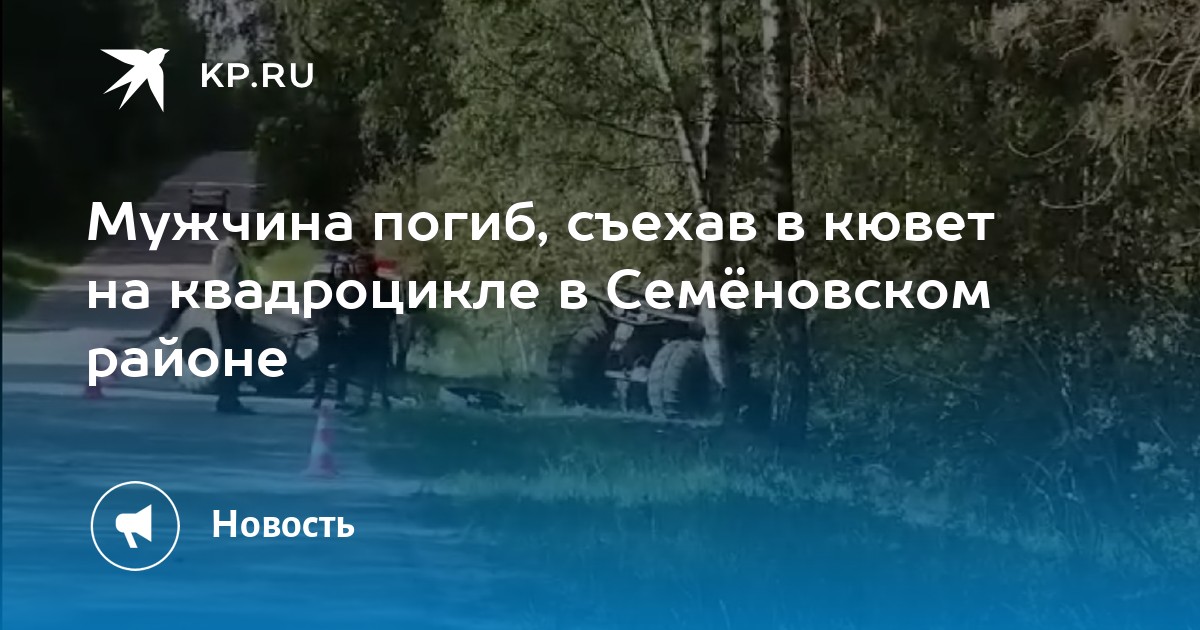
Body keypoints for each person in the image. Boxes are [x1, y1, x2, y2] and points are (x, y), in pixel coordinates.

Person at [210, 231, 255, 415]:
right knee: (231, 355)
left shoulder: (238, 250)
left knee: (237, 355)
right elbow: (227, 281)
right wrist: (239, 307)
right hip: (230, 309)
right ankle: (227, 399)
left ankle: (231, 397)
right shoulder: (226, 251)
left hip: (237, 308)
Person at [347, 252, 393, 416]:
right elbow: (345, 306)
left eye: (363, 264)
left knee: (379, 366)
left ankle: (383, 397)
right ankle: (365, 401)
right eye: (358, 264)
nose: (360, 267)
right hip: (359, 331)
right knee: (364, 367)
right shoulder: (352, 285)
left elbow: (391, 309)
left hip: (378, 330)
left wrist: (391, 328)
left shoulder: (383, 284)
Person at [311, 259, 351, 410]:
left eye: (343, 269)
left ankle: (341, 398)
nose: (341, 272)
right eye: (338, 269)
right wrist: (319, 323)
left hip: (345, 333)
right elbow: (318, 307)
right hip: (327, 331)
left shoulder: (352, 287)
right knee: (322, 366)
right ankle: (318, 396)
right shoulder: (326, 286)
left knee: (343, 367)